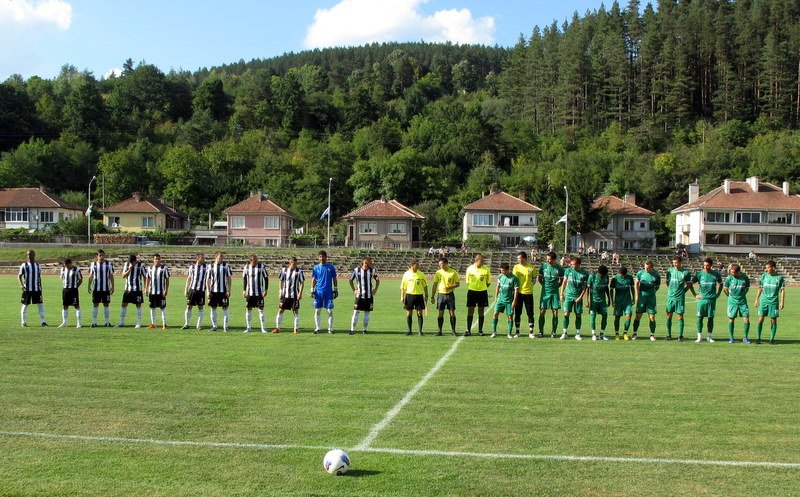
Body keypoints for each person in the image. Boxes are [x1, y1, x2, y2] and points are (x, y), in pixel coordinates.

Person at [665, 256, 696, 341]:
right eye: (673, 262)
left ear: (680, 263)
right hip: (670, 298)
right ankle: (668, 335)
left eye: (676, 262)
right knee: (669, 315)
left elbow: (689, 284)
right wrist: (671, 290)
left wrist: (683, 291)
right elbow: (667, 282)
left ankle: (680, 336)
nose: (675, 264)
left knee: (680, 316)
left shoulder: (685, 272)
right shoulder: (670, 271)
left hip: (680, 299)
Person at [692, 257, 723, 343]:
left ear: (711, 265)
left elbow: (721, 284)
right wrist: (695, 294)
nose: (706, 267)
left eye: (708, 265)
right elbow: (690, 283)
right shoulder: (699, 274)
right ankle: (699, 337)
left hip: (711, 300)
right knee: (699, 318)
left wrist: (718, 294)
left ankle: (709, 337)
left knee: (710, 318)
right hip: (701, 300)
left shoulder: (715, 274)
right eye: (704, 265)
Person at [754, 260, 785, 344]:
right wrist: (757, 299)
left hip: (774, 302)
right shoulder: (764, 276)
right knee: (760, 319)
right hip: (763, 301)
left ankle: (772, 339)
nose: (766, 269)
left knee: (773, 320)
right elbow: (760, 288)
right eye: (766, 268)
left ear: (773, 268)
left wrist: (782, 302)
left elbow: (782, 290)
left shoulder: (779, 278)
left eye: (768, 268)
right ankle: (758, 338)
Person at [560, 257, 590, 340]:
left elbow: (585, 287)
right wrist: (561, 294)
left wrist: (581, 297)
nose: (571, 265)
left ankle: (577, 333)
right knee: (566, 314)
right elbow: (564, 282)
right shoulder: (568, 271)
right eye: (571, 264)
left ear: (578, 264)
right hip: (569, 296)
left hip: (578, 297)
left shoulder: (584, 273)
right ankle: (564, 332)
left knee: (578, 315)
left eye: (573, 264)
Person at [538, 251, 565, 338]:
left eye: (549, 259)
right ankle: (540, 332)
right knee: (542, 312)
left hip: (554, 294)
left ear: (554, 259)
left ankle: (553, 332)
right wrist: (545, 287)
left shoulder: (560, 269)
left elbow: (561, 281)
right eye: (547, 259)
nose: (547, 261)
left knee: (555, 312)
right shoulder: (543, 267)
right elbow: (540, 279)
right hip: (545, 293)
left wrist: (555, 287)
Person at [274, 256, 304, 334]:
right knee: (280, 310)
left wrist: (300, 293)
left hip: (294, 295)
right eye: (293, 264)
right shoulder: (284, 270)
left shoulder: (299, 271)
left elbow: (302, 283)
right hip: (285, 295)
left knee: (295, 311)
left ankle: (296, 329)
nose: (295, 266)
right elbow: (281, 281)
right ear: (290, 263)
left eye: (296, 264)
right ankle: (277, 328)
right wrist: (280, 291)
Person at [348, 257, 379, 335]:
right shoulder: (356, 270)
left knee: (367, 314)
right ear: (363, 263)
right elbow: (350, 280)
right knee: (356, 312)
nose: (367, 265)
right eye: (366, 263)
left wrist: (375, 289)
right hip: (359, 296)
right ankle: (352, 330)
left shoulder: (372, 271)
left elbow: (378, 280)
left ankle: (364, 330)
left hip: (369, 296)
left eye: (368, 263)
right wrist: (354, 290)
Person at [431, 257, 459, 336]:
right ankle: (439, 331)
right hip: (441, 295)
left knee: (452, 312)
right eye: (439, 264)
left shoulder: (453, 272)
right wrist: (432, 296)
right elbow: (435, 284)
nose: (440, 266)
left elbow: (457, 284)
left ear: (446, 263)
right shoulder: (438, 273)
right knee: (440, 313)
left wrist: (450, 287)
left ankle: (453, 331)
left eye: (441, 264)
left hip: (450, 294)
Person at [633, 259, 661, 340]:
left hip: (651, 298)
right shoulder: (640, 273)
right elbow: (636, 283)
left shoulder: (656, 275)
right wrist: (637, 295)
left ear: (652, 267)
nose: (646, 269)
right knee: (638, 316)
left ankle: (652, 335)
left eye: (648, 268)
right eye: (645, 267)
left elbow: (657, 286)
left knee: (652, 317)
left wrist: (652, 292)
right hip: (642, 297)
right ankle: (634, 333)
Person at [311, 250, 338, 334]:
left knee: (329, 311)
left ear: (326, 257)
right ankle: (317, 328)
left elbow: (334, 278)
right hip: (318, 292)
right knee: (317, 310)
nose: (322, 258)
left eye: (323, 256)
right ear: (318, 258)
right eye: (320, 257)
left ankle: (330, 328)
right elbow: (314, 279)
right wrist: (312, 290)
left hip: (328, 292)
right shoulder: (316, 268)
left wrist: (336, 289)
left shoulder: (331, 267)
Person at [464, 253, 491, 336]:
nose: (483, 262)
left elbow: (488, 282)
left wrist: (482, 287)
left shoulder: (486, 269)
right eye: (481, 261)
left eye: (483, 261)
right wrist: (474, 287)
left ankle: (480, 330)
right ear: (476, 260)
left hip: (482, 292)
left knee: (481, 311)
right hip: (472, 292)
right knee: (470, 310)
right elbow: (467, 281)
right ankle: (468, 330)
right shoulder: (469, 269)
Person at [512, 251, 537, 338]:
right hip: (518, 293)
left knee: (530, 313)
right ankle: (517, 332)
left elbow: (534, 281)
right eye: (518, 258)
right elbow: (514, 280)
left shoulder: (532, 268)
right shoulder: (516, 267)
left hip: (528, 293)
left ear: (524, 258)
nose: (518, 260)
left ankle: (531, 332)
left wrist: (528, 286)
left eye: (520, 258)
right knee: (517, 313)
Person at [724, 263, 751, 344]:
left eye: (733, 272)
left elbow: (747, 288)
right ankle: (731, 338)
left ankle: (745, 337)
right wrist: (730, 296)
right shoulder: (729, 278)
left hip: (743, 302)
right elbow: (725, 289)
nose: (732, 273)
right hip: (732, 302)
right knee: (731, 320)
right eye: (731, 272)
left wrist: (742, 295)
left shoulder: (745, 278)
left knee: (746, 319)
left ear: (738, 272)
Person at [206, 251, 233, 332]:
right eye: (220, 257)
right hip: (213, 291)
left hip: (223, 291)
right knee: (213, 308)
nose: (221, 258)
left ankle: (225, 326)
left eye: (222, 257)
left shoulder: (226, 266)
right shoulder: (210, 266)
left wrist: (229, 290)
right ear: (216, 257)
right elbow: (207, 279)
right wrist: (208, 291)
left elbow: (229, 278)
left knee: (225, 308)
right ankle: (214, 326)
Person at [19, 250, 46, 327]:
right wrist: (21, 285)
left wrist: (41, 288)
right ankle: (23, 322)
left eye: (30, 254)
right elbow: (19, 276)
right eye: (27, 254)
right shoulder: (24, 265)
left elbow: (39, 277)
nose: (28, 256)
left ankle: (43, 322)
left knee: (40, 305)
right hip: (27, 289)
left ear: (34, 255)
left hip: (37, 289)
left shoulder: (38, 265)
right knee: (25, 305)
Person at [492, 263, 519, 339]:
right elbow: (498, 286)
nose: (502, 272)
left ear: (507, 270)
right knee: (495, 314)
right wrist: (496, 297)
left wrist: (514, 301)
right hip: (500, 299)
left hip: (509, 301)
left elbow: (516, 290)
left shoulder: (514, 278)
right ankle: (494, 332)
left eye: (503, 270)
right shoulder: (500, 276)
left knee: (510, 316)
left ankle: (509, 334)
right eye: (501, 270)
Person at [242, 253, 269, 333]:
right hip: (249, 293)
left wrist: (266, 289)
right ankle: (248, 327)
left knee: (261, 310)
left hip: (259, 293)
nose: (257, 262)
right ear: (250, 261)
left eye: (257, 260)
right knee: (248, 309)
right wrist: (244, 290)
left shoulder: (261, 267)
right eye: (255, 260)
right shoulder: (246, 267)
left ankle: (263, 328)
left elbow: (266, 278)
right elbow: (244, 279)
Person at [88, 249, 114, 327]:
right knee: (95, 304)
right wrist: (88, 286)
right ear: (97, 256)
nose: (101, 257)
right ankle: (94, 322)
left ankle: (107, 322)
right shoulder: (93, 264)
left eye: (103, 255)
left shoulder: (109, 264)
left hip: (106, 288)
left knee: (106, 304)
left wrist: (113, 286)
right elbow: (91, 276)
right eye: (100, 255)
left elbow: (111, 276)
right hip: (96, 289)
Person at [117, 254, 145, 328]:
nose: (131, 263)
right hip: (128, 289)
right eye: (130, 262)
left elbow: (145, 276)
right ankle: (121, 322)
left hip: (137, 289)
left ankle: (138, 323)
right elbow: (123, 275)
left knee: (138, 305)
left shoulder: (140, 265)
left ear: (135, 261)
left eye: (132, 262)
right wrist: (129, 269)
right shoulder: (126, 264)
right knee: (124, 304)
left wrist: (145, 288)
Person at [401, 259, 428, 336]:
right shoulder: (406, 274)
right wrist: (402, 297)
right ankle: (409, 331)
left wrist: (426, 295)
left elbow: (425, 286)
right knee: (409, 313)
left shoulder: (421, 274)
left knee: (419, 313)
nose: (419, 266)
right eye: (417, 264)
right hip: (409, 295)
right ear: (412, 265)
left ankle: (420, 331)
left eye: (418, 264)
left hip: (419, 295)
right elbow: (403, 287)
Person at [182, 253, 208, 330]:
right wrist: (186, 289)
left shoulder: (206, 267)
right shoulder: (192, 267)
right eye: (202, 258)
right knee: (189, 306)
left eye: (203, 258)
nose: (203, 259)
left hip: (201, 290)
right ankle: (187, 324)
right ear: (197, 258)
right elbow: (189, 278)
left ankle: (198, 325)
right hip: (192, 290)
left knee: (200, 307)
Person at [144, 254, 170, 330]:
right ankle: (153, 324)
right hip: (152, 292)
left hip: (161, 292)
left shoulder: (164, 268)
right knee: (152, 307)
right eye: (156, 259)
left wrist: (166, 289)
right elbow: (148, 278)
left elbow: (167, 279)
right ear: (153, 260)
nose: (157, 260)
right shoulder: (150, 268)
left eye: (158, 259)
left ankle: (164, 324)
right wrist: (146, 288)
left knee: (162, 308)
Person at [587, 264, 611, 341]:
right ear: (598, 272)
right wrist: (587, 300)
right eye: (601, 274)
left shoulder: (606, 276)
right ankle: (593, 334)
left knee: (605, 316)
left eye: (604, 274)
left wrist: (609, 298)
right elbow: (587, 288)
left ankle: (602, 334)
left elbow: (606, 287)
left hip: (602, 301)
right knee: (593, 317)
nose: (602, 275)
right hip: (593, 301)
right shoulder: (592, 276)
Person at [610, 267, 635, 340]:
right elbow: (611, 290)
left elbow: (632, 288)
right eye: (621, 275)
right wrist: (612, 301)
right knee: (617, 317)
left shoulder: (630, 277)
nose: (623, 276)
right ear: (619, 273)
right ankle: (617, 334)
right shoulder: (614, 278)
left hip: (627, 301)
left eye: (624, 275)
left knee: (629, 315)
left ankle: (625, 333)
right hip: (618, 301)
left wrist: (633, 297)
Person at [59, 258, 82, 328]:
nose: (66, 267)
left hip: (73, 290)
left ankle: (78, 323)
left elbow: (80, 280)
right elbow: (62, 278)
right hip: (65, 290)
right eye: (65, 265)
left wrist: (76, 287)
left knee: (76, 306)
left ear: (70, 263)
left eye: (67, 265)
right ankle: (65, 322)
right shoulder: (62, 269)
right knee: (65, 306)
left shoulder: (76, 269)